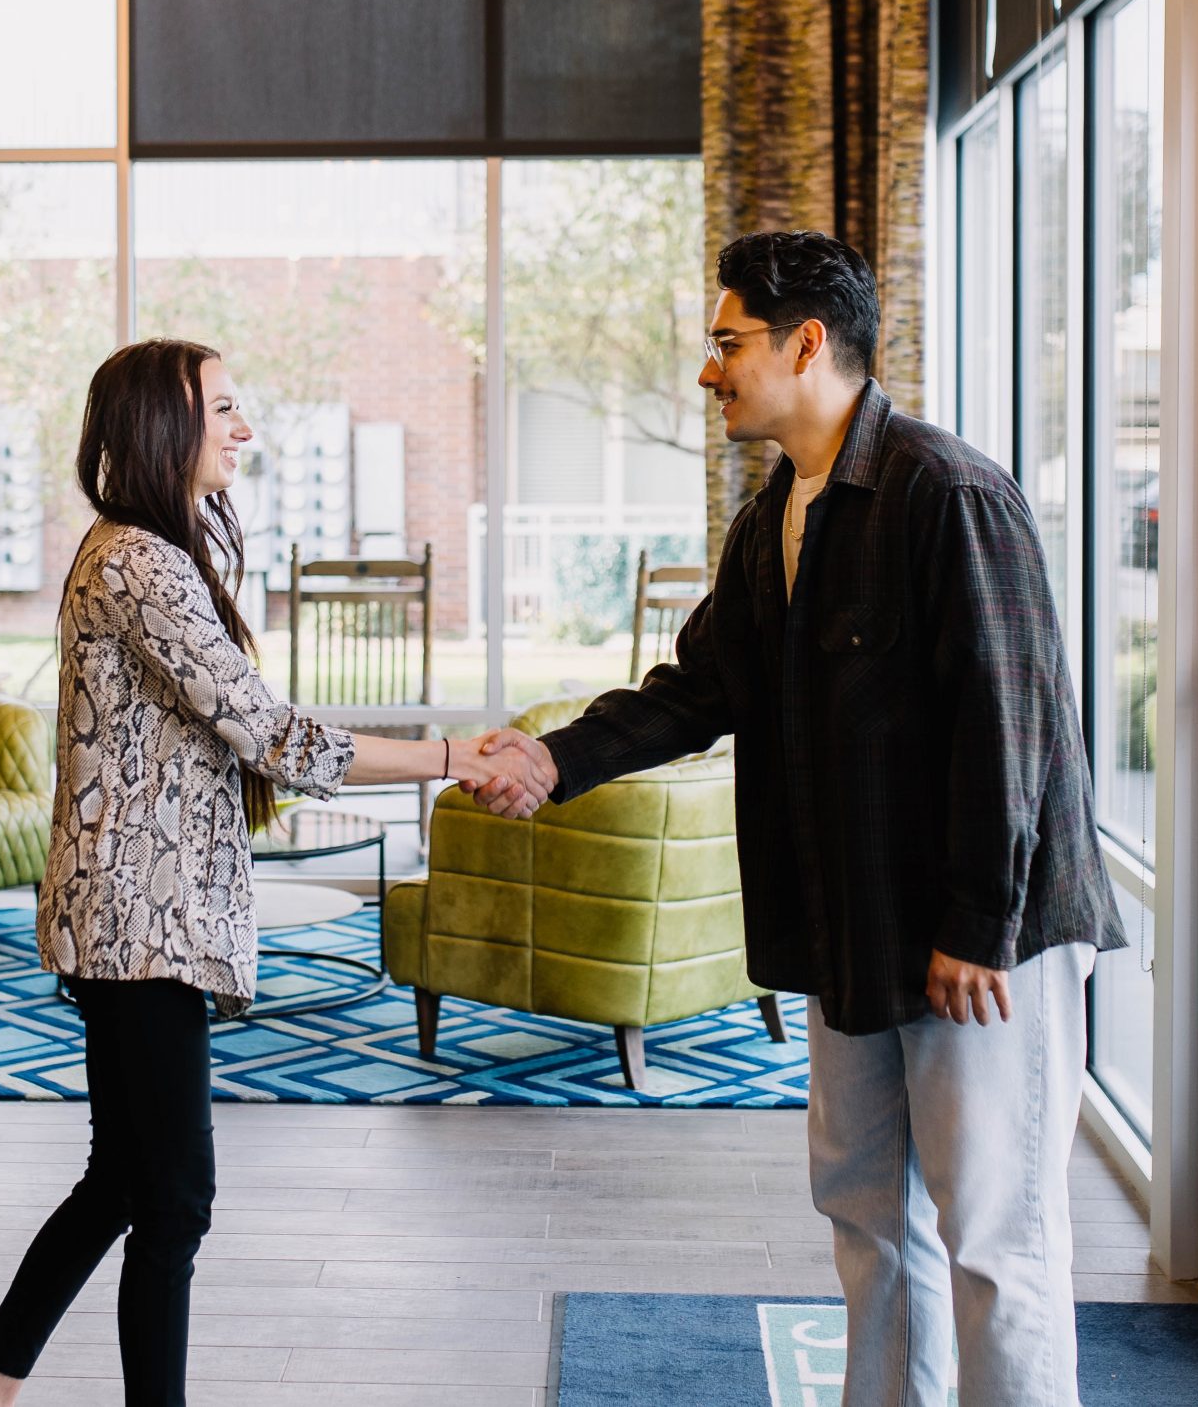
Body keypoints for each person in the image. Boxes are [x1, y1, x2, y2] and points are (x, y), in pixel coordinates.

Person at [473, 232, 1127, 1407]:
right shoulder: (775, 516)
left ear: (806, 343)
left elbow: (1013, 727)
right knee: (868, 1219)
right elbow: (701, 688)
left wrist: (977, 924)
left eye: (727, 344)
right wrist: (550, 760)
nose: (709, 371)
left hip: (981, 944)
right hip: (851, 932)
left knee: (994, 1242)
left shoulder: (949, 494)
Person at [0, 337, 529, 1407]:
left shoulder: (129, 552)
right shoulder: (138, 563)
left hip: (131, 913)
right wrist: (456, 757)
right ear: (162, 427)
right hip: (141, 921)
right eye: (223, 407)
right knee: (172, 1199)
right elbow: (272, 735)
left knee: (124, 1182)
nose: (244, 428)